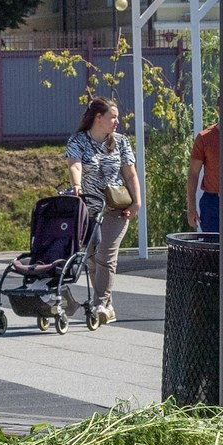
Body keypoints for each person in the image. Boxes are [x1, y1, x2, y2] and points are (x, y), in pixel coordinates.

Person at [65, 97, 142, 323]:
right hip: (90, 209)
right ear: (98, 118)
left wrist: (137, 202)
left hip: (116, 208)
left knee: (105, 255)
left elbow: (130, 174)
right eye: (113, 117)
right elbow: (75, 164)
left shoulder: (121, 142)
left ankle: (99, 303)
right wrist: (76, 185)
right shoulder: (78, 141)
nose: (117, 121)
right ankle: (107, 305)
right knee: (91, 257)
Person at [188, 117, 223, 233]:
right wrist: (191, 207)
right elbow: (193, 173)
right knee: (212, 242)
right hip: (212, 202)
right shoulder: (204, 137)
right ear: (218, 109)